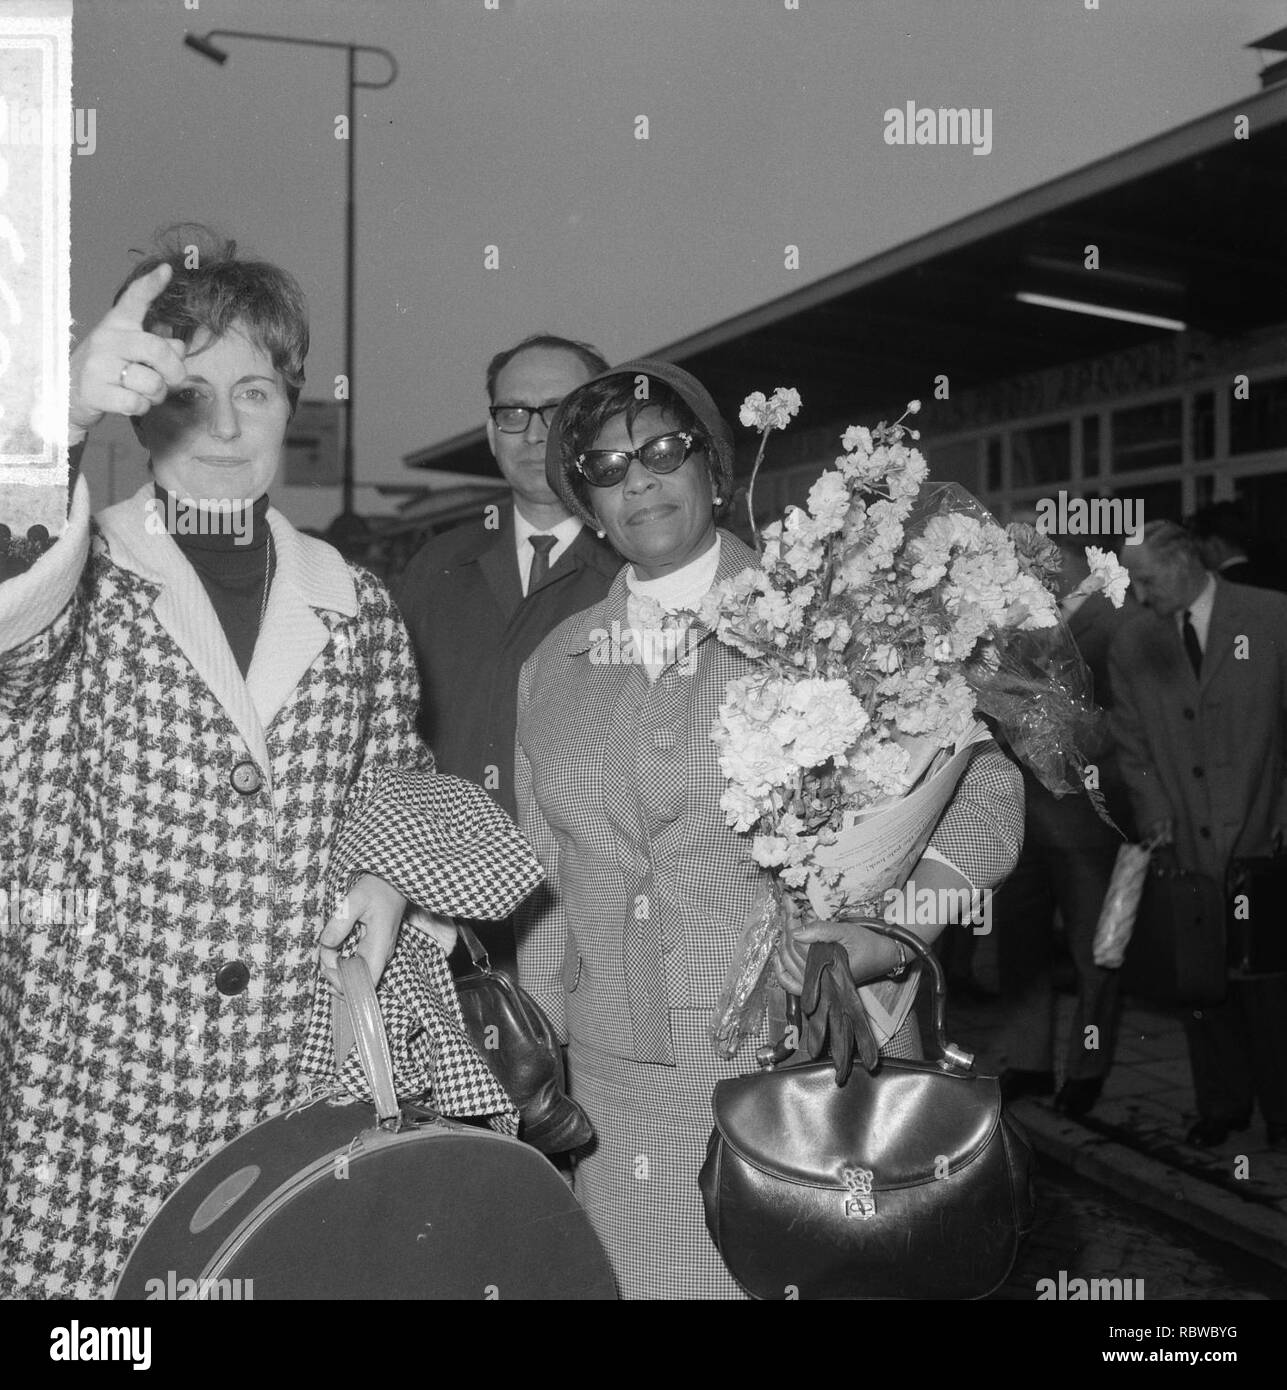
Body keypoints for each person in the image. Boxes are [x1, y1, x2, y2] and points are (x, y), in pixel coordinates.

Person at [0, 228, 539, 1297]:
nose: (224, 423)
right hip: (96, 1100)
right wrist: (45, 429)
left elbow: (397, 785)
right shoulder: (71, 572)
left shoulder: (357, 603)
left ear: (294, 403)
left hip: (295, 1093)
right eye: (188, 391)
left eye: (255, 389)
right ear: (140, 406)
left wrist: (388, 879)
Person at [513, 359, 1026, 1298]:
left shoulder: (831, 617)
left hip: (797, 1066)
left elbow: (984, 800)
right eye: (605, 465)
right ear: (586, 506)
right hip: (612, 1087)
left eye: (664, 449)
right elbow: (545, 879)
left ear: (712, 467)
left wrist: (888, 934)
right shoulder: (555, 663)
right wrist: (533, 1066)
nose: (640, 478)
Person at [394, 336, 619, 973]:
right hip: (441, 926)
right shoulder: (435, 568)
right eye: (512, 413)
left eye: (559, 410)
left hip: (592, 933)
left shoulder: (639, 573)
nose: (533, 433)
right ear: (491, 433)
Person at [1111, 520, 1287, 1149]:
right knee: (1201, 985)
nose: (1137, 592)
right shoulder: (1133, 642)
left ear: (1186, 562)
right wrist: (1154, 808)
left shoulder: (1271, 617)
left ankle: (1281, 1112)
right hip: (1184, 840)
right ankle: (1223, 1106)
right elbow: (1131, 744)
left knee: (1269, 987)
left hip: (1264, 838)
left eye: (1146, 578)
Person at [994, 533, 1135, 1116]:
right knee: (1019, 951)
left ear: (1065, 553)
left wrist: (1067, 725)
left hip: (1085, 821)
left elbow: (1132, 722)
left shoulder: (1118, 620)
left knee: (1092, 951)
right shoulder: (1013, 618)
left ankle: (1087, 1069)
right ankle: (1027, 1062)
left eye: (1027, 548)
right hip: (1018, 816)